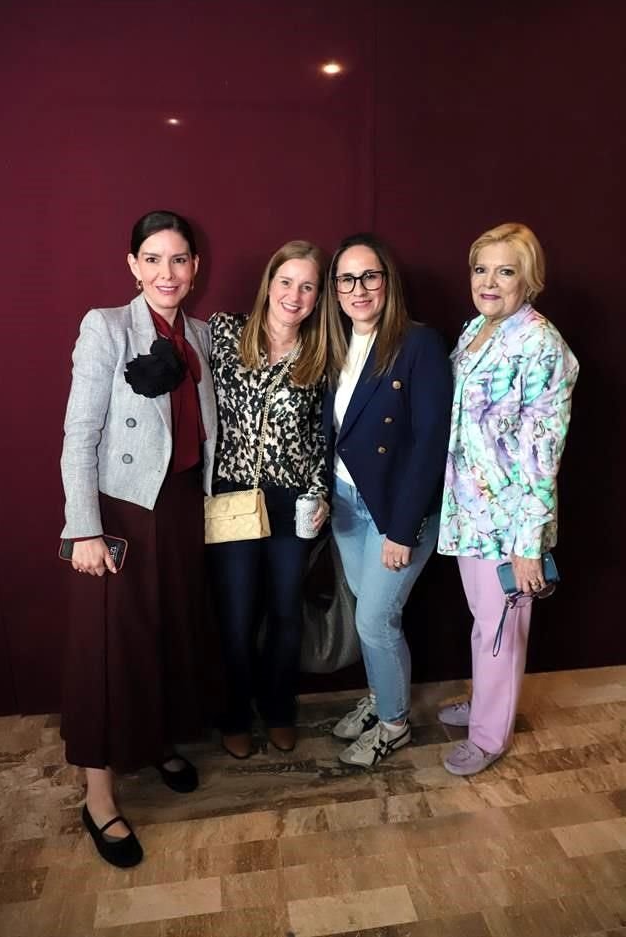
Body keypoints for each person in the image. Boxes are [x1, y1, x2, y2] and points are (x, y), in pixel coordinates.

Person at [59, 210, 217, 867]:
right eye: (152, 258)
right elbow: (80, 432)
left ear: (195, 268)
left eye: (179, 259)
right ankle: (98, 795)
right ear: (132, 264)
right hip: (120, 511)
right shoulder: (105, 326)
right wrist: (84, 527)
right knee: (108, 649)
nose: (166, 273)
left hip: (180, 504)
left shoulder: (203, 334)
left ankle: (154, 740)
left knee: (169, 631)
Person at [437, 222, 579, 776]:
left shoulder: (539, 342)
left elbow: (543, 458)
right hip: (469, 511)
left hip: (509, 522)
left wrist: (527, 546)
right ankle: (488, 699)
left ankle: (490, 735)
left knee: (502, 629)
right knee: (485, 621)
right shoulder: (478, 327)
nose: (489, 281)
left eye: (506, 270)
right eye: (481, 269)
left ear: (530, 279)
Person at [323, 232, 453, 767]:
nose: (359, 288)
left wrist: (403, 528)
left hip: (394, 510)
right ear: (335, 289)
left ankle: (395, 723)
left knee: (376, 619)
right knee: (371, 618)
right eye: (347, 279)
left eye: (369, 276)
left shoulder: (418, 343)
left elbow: (430, 441)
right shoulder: (332, 344)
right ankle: (380, 699)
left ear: (388, 281)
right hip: (348, 505)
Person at [208, 240, 330, 759]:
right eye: (286, 282)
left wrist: (320, 490)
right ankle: (235, 712)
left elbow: (327, 432)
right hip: (233, 497)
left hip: (293, 501)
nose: (294, 295)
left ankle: (278, 707)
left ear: (317, 297)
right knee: (235, 614)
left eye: (307, 286)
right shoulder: (223, 332)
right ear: (269, 283)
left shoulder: (323, 354)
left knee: (284, 612)